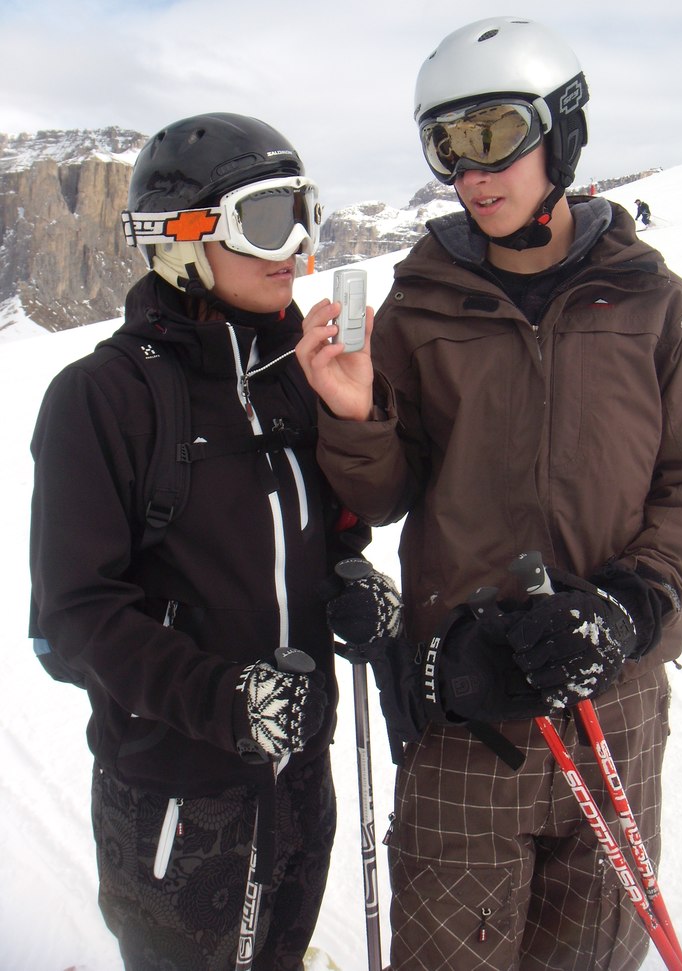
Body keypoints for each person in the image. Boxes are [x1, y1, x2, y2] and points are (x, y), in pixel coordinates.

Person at [296, 17, 682, 971]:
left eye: (492, 136)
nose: (471, 174)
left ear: (561, 130)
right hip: (466, 703)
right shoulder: (422, 306)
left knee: (593, 953)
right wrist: (355, 416)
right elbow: (389, 488)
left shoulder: (656, 304)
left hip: (612, 696)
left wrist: (633, 601)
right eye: (446, 147)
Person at [29, 112, 371, 971]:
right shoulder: (101, 398)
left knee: (279, 954)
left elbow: (315, 538)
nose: (294, 243)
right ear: (182, 238)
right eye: (264, 217)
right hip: (181, 796)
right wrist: (225, 702)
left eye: (304, 211)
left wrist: (353, 579)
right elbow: (72, 618)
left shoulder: (291, 376)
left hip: (298, 769)